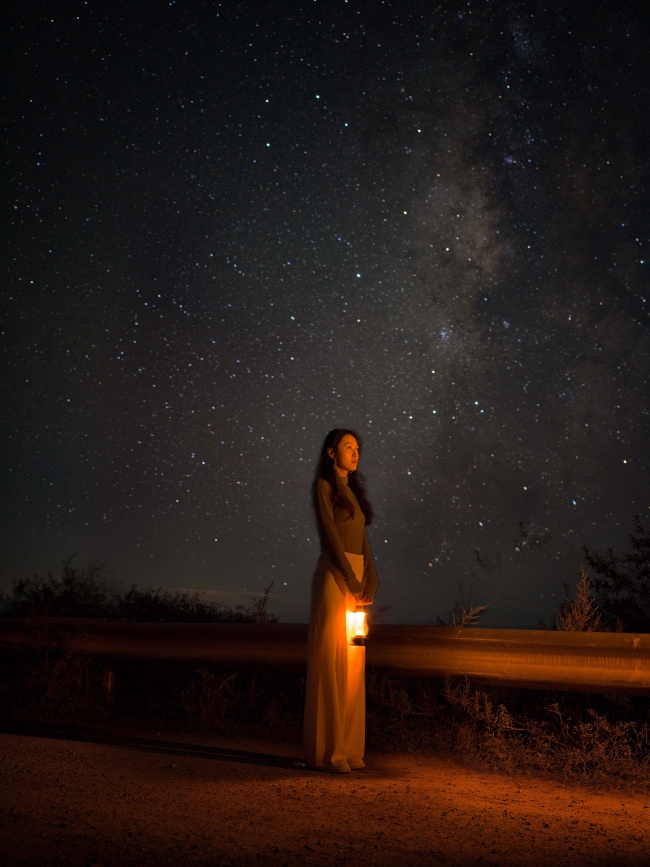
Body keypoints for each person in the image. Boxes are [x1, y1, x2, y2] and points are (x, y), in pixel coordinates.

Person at [303, 428, 379, 773]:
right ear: (331, 452)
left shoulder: (354, 492)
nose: (355, 452)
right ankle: (328, 752)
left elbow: (363, 541)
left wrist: (372, 580)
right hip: (336, 576)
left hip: (358, 576)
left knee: (354, 663)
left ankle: (350, 749)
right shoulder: (324, 486)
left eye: (358, 447)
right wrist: (350, 578)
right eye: (348, 446)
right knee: (333, 659)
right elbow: (332, 538)